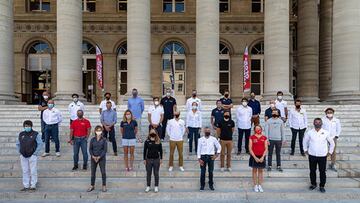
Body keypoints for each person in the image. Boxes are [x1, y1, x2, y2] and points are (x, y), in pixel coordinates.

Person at [303, 118, 335, 193]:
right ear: (313, 123)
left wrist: (330, 152)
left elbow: (332, 143)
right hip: (312, 155)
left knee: (322, 171)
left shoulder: (326, 132)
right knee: (312, 171)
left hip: (322, 155)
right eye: (316, 122)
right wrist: (305, 150)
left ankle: (322, 186)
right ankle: (313, 184)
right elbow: (305, 141)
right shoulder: (309, 132)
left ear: (321, 123)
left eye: (319, 122)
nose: (317, 123)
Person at [16, 120, 43, 192]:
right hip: (23, 155)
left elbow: (40, 144)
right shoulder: (21, 134)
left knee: (33, 170)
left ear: (31, 126)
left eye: (28, 126)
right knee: (25, 171)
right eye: (25, 126)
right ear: (24, 127)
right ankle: (26, 185)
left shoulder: (35, 134)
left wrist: (35, 153)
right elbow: (18, 144)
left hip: (32, 155)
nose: (27, 127)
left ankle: (33, 185)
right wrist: (20, 152)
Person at [197, 127, 221, 191]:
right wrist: (199, 158)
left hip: (211, 157)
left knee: (210, 172)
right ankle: (202, 186)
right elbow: (198, 149)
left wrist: (217, 155)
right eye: (206, 131)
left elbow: (219, 147)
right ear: (204, 131)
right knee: (202, 172)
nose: (207, 132)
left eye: (208, 131)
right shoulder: (200, 139)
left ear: (210, 132)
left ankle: (211, 185)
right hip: (203, 157)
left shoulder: (213, 139)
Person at [88, 126, 107, 193]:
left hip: (101, 158)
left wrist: (99, 157)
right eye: (97, 130)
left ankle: (104, 185)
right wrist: (93, 156)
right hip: (93, 158)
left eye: (100, 130)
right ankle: (92, 185)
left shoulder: (104, 140)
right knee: (93, 173)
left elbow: (105, 150)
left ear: (101, 131)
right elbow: (90, 149)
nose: (98, 131)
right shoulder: (92, 140)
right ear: (95, 131)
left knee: (103, 172)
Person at [249, 125, 268, 193]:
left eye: (259, 128)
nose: (258, 130)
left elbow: (266, 148)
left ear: (261, 129)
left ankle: (260, 185)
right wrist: (255, 157)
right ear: (254, 130)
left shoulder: (264, 137)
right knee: (254, 171)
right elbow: (250, 148)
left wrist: (263, 157)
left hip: (262, 156)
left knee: (260, 171)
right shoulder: (252, 137)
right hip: (254, 156)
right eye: (256, 129)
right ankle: (255, 185)